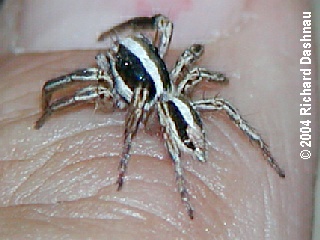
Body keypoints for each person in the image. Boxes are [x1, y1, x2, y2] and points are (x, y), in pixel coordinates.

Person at [0, 1, 317, 239]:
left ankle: (186, 181)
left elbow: (71, 87)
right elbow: (179, 47)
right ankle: (259, 155)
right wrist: (215, 79)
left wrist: (124, 154)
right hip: (168, 95)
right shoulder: (181, 76)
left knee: (87, 88)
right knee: (219, 104)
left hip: (163, 104)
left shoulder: (122, 90)